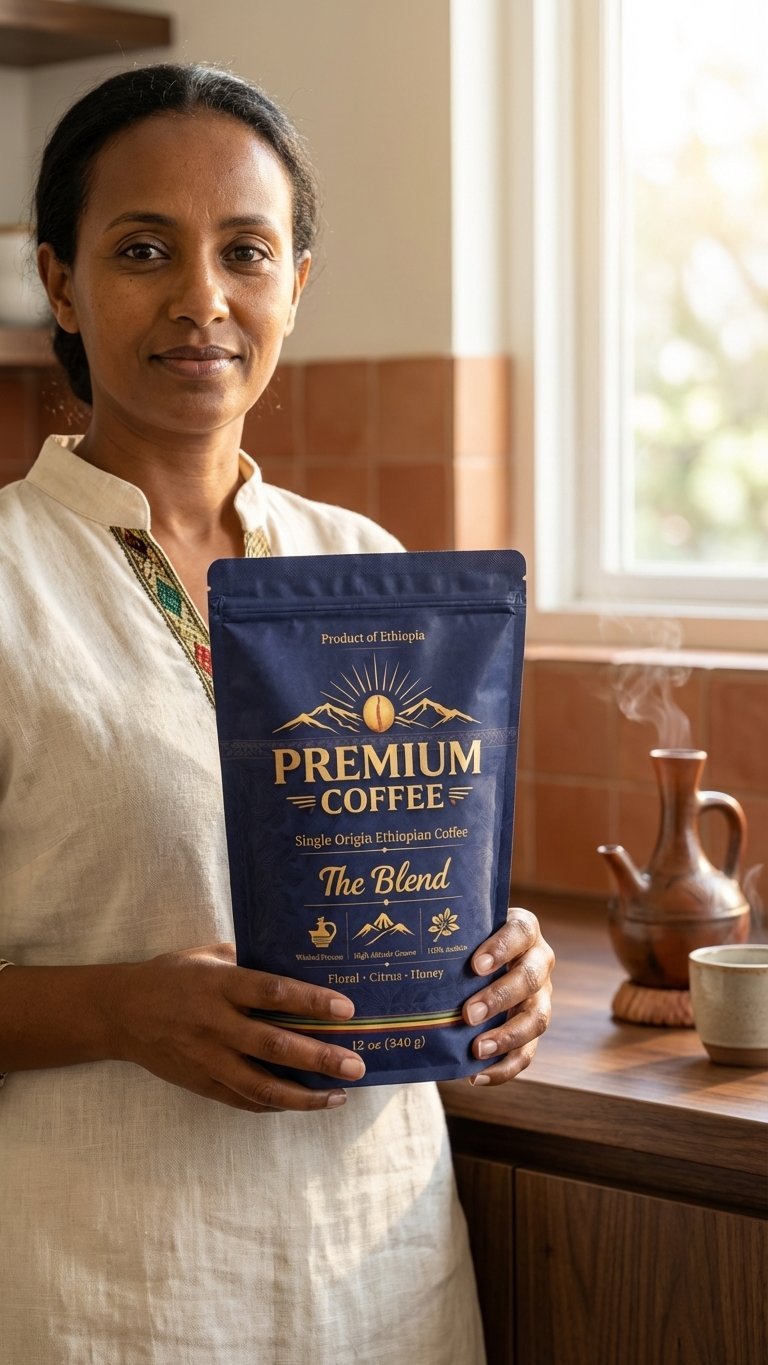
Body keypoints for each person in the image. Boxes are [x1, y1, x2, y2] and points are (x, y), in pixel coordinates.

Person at [0, 64, 554, 1364]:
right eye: (144, 249)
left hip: (384, 1276)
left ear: (296, 283)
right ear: (62, 282)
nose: (202, 298)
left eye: (246, 251)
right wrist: (114, 1010)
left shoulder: (362, 559)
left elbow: (419, 879)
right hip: (111, 1293)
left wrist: (497, 966)